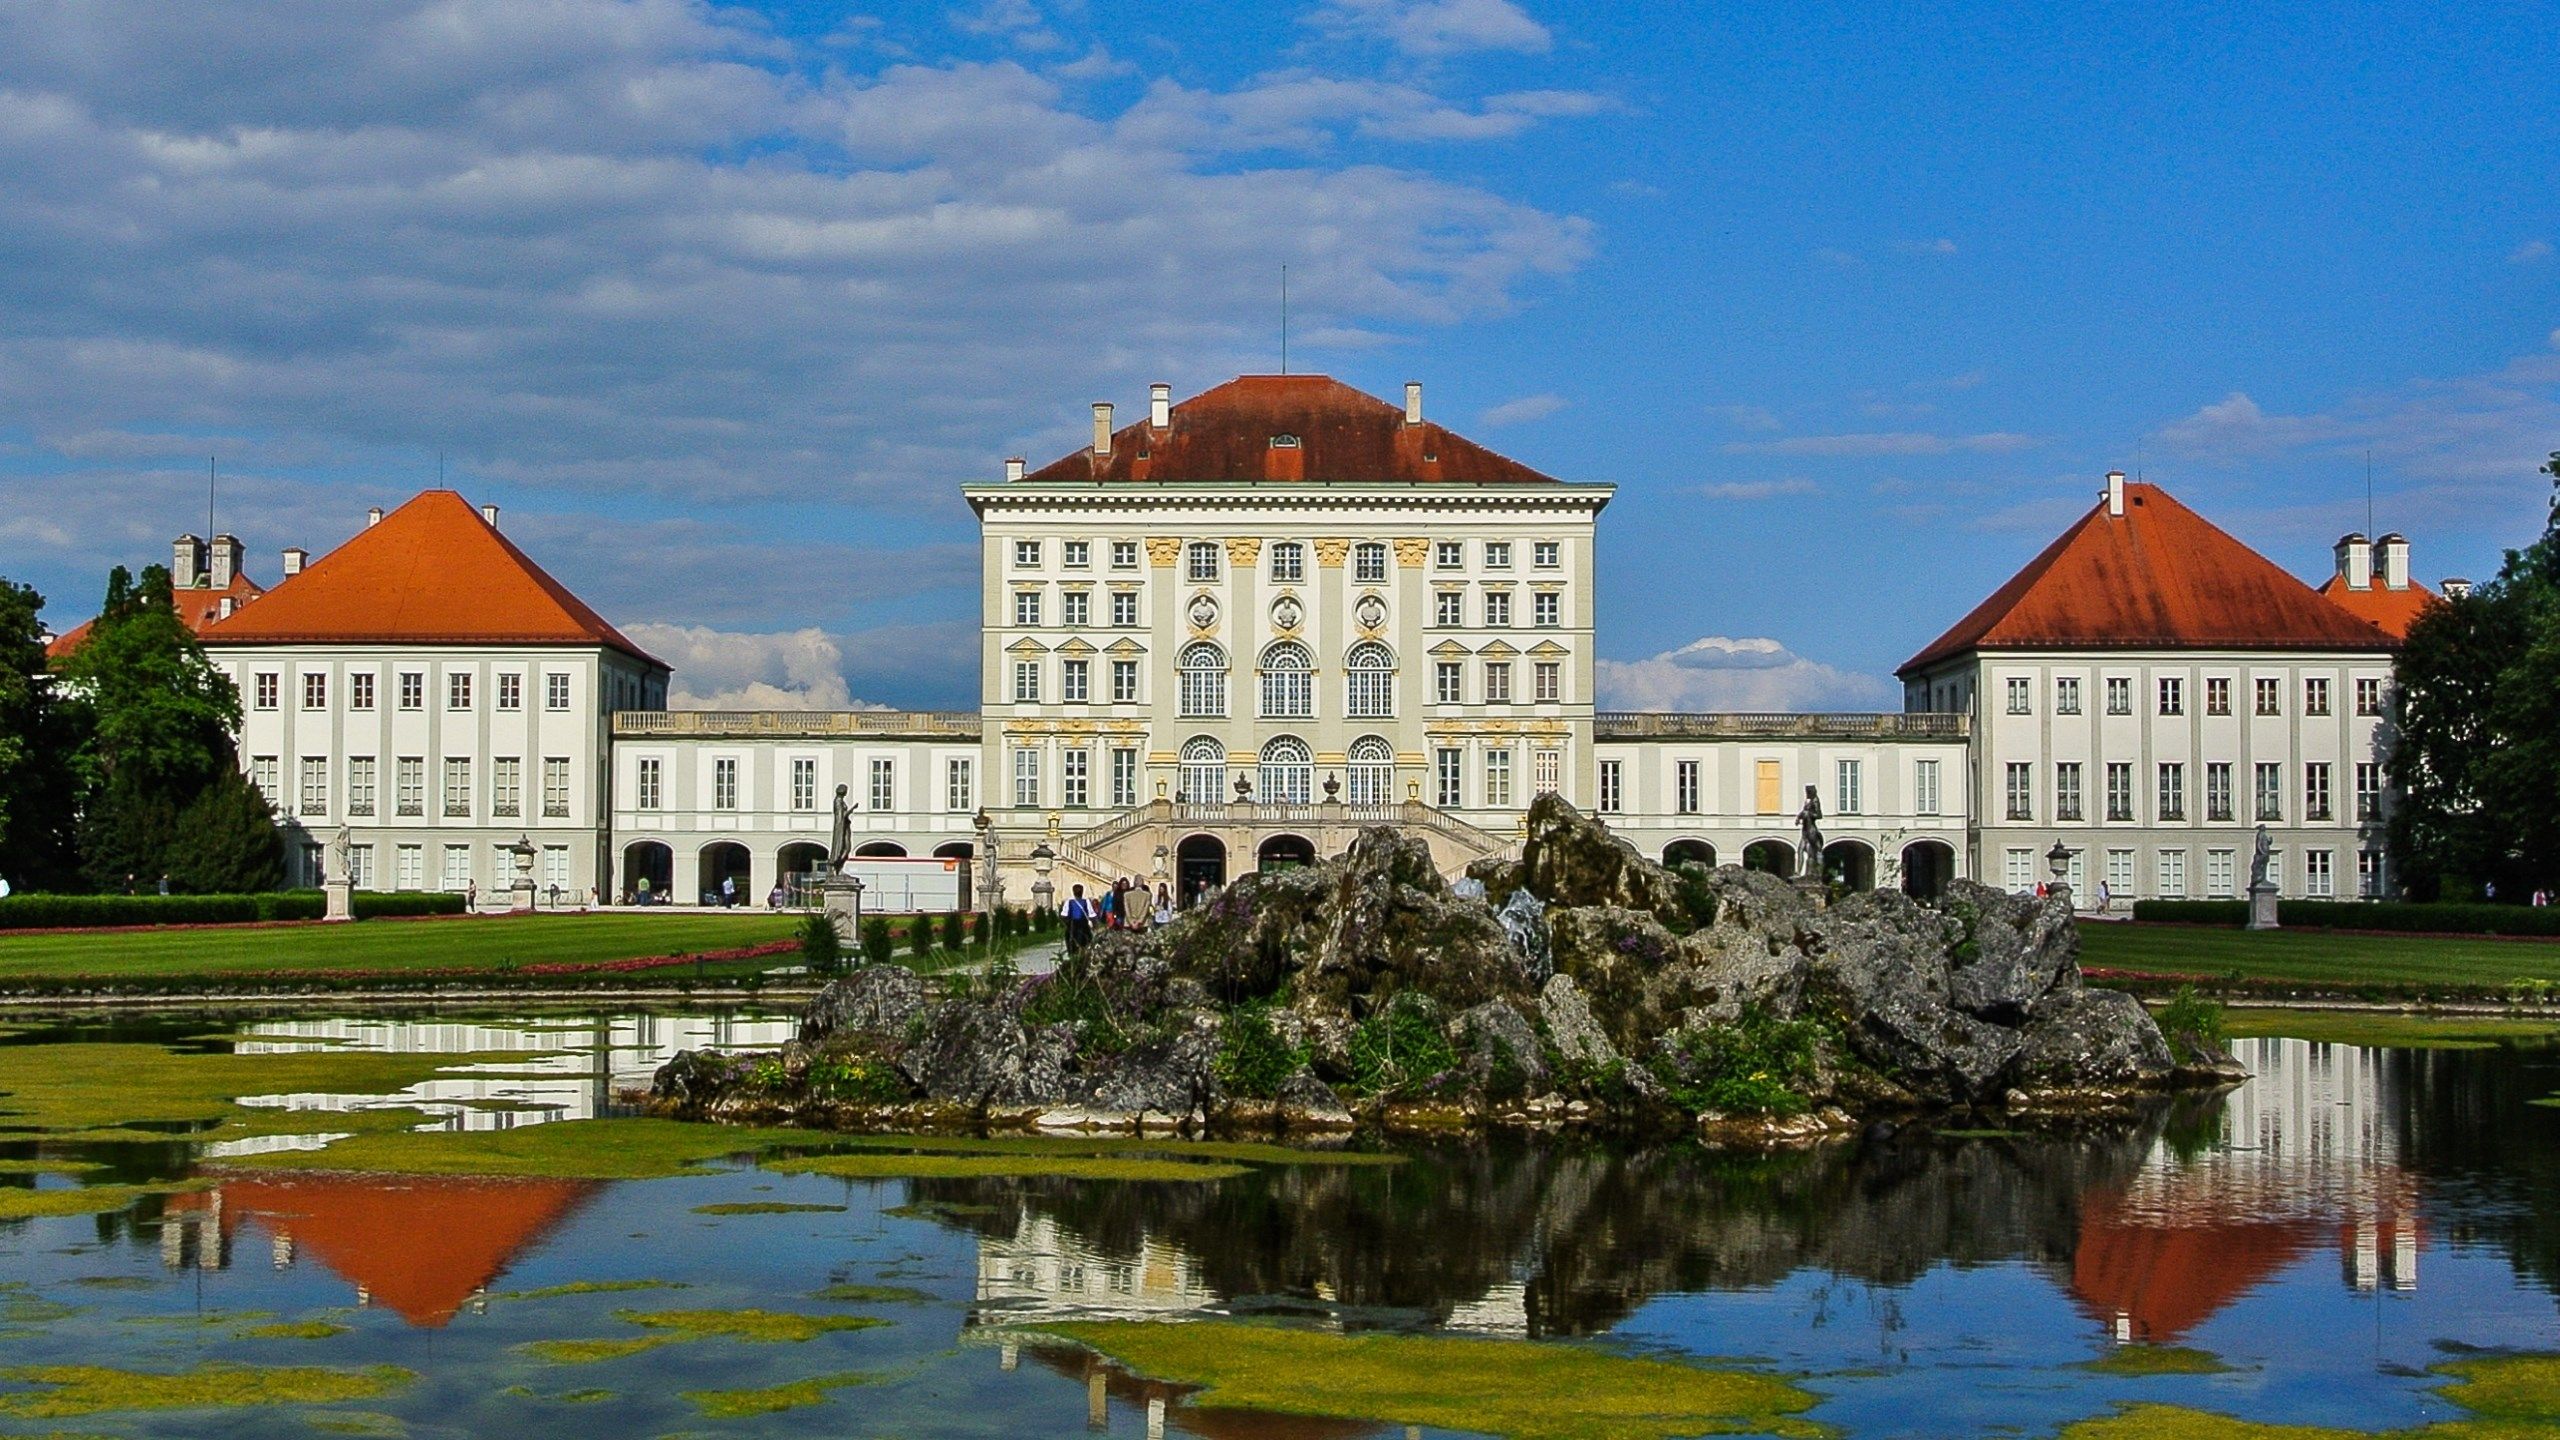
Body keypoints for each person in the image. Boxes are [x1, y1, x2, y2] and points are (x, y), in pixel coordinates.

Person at [1062, 884, 1094, 954]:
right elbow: (1092, 914)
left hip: (1078, 925)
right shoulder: (1070, 902)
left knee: (1080, 941)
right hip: (1075, 925)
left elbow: (1064, 915)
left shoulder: (1070, 902)